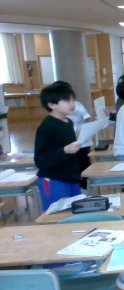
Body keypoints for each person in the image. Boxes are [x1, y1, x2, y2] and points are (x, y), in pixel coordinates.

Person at [34, 82, 82, 210]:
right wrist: (64, 151)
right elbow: (40, 160)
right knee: (56, 215)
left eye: (73, 100)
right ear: (51, 104)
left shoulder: (68, 122)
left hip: (71, 177)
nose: (72, 104)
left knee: (75, 212)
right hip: (54, 179)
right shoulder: (46, 126)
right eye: (66, 100)